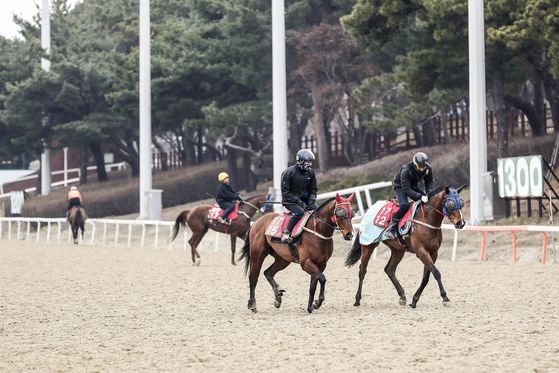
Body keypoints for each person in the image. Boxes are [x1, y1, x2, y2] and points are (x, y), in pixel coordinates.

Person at [385, 151, 434, 239]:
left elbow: (429, 182)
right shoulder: (406, 170)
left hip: (413, 186)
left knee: (428, 202)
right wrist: (420, 197)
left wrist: (429, 193)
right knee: (404, 205)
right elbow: (406, 189)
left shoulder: (427, 168)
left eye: (424, 167)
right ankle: (391, 228)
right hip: (400, 187)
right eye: (420, 167)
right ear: (415, 164)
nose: (422, 169)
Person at [280, 149, 318, 243]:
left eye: (310, 162)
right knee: (300, 212)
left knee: (319, 211)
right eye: (307, 162)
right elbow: (285, 193)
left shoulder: (311, 172)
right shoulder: (288, 172)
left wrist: (311, 201)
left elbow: (313, 190)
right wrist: (299, 201)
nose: (309, 164)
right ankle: (286, 233)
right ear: (300, 161)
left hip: (305, 202)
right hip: (290, 201)